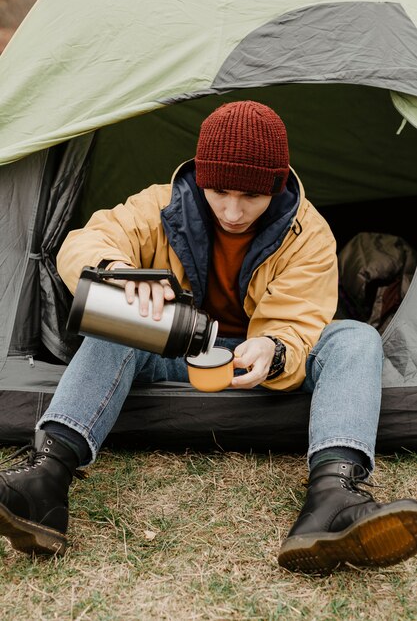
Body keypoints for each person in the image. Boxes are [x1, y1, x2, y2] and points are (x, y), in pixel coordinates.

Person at [1, 100, 417, 573]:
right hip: (176, 351)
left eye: (251, 197)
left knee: (355, 339)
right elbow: (83, 242)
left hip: (258, 363)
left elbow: (300, 324)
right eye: (218, 191)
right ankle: (45, 479)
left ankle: (333, 497)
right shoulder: (160, 206)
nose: (233, 211)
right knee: (117, 323)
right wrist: (118, 275)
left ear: (276, 187)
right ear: (200, 174)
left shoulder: (308, 233)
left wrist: (273, 349)